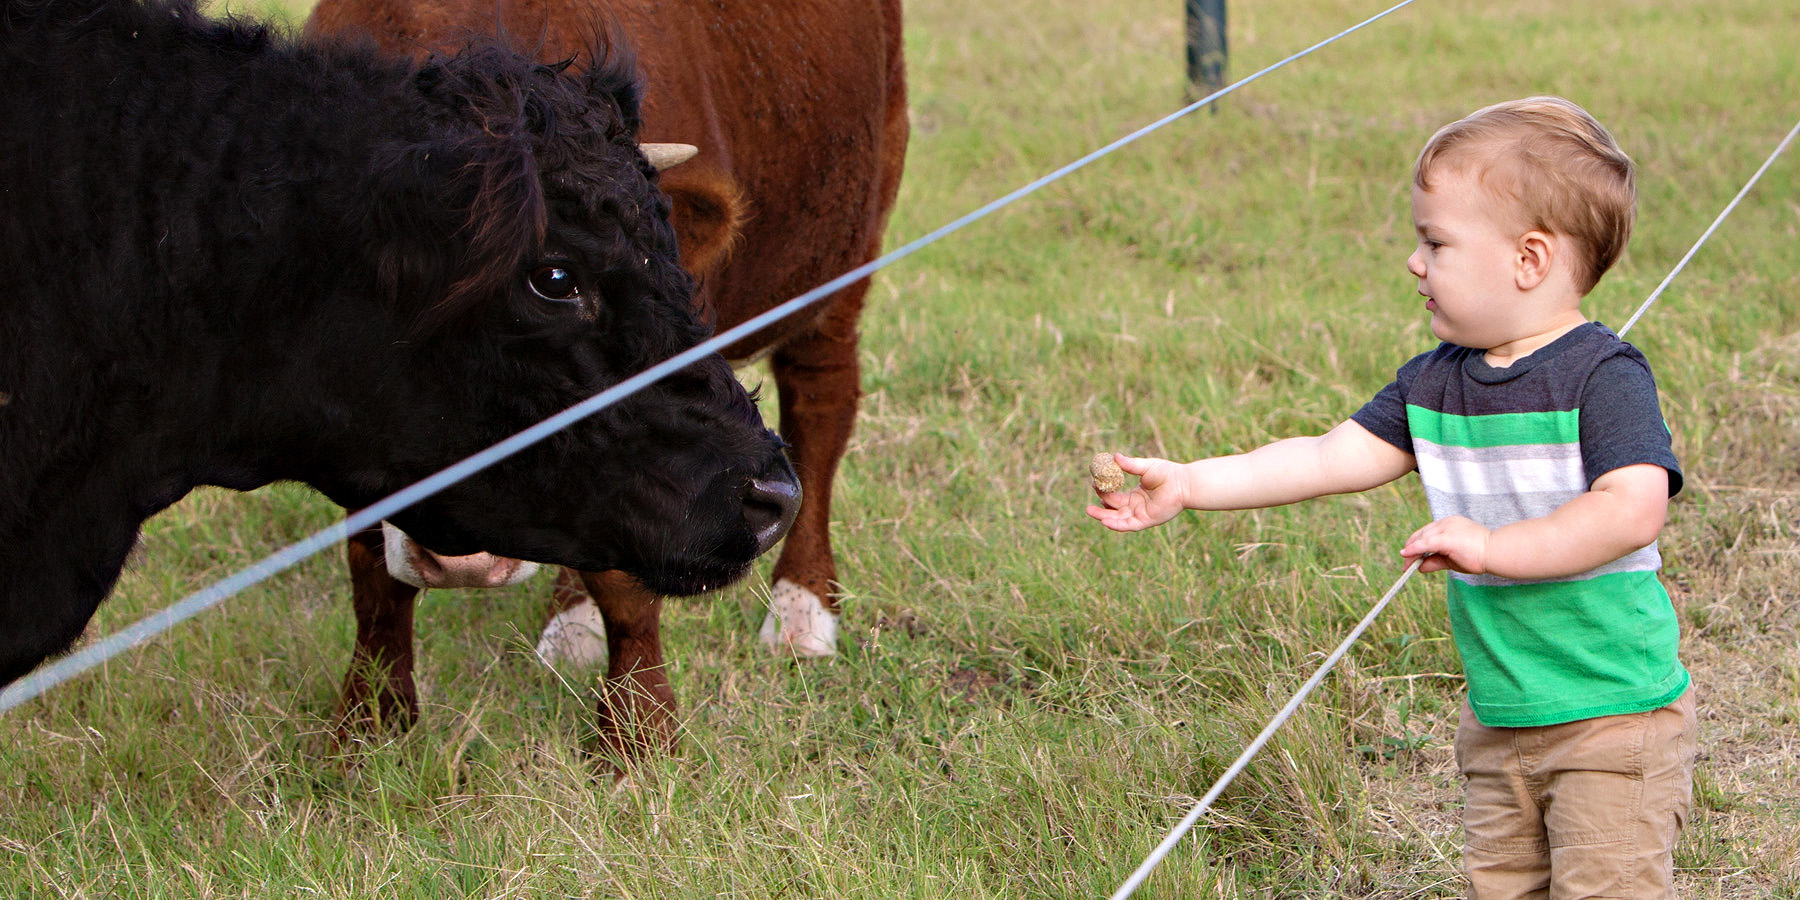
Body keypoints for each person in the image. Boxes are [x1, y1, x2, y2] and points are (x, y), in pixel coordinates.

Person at [1088, 96, 1695, 899]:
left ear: (1530, 259)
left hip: (1612, 720)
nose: (1415, 262)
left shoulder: (1603, 377)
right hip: (1500, 720)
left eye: (1435, 242)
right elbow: (1323, 456)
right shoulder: (1434, 382)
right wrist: (1194, 483)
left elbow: (1631, 508)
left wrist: (1492, 550)